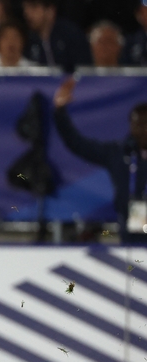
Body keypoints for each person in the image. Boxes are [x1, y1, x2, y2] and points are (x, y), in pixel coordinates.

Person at [53, 77, 147, 243]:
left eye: (146, 124)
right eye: (137, 124)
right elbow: (78, 144)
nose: (142, 130)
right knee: (134, 265)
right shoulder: (119, 152)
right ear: (130, 126)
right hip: (130, 234)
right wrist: (60, 112)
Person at [21, 0, 91, 72]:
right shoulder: (28, 40)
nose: (27, 13)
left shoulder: (70, 34)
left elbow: (85, 70)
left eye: (33, 7)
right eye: (25, 7)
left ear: (50, 10)